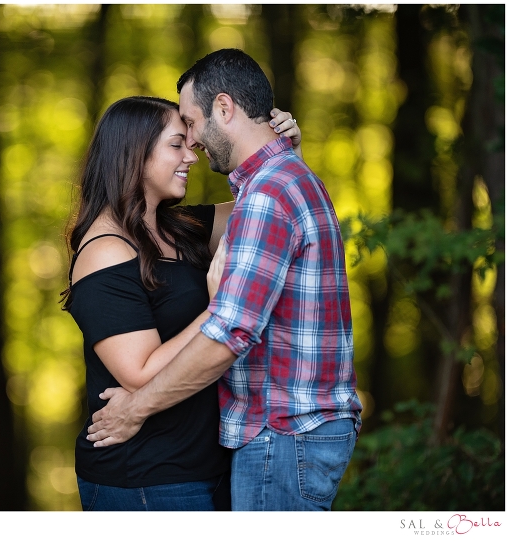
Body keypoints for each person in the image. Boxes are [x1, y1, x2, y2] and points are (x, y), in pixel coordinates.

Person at [86, 49, 363, 511]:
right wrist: (286, 153)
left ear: (224, 108)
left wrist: (136, 408)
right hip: (182, 463)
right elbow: (263, 208)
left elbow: (230, 329)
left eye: (190, 127)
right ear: (133, 153)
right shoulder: (273, 188)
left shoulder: (264, 195)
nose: (192, 146)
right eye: (177, 141)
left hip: (281, 431)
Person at [61, 94, 301, 511]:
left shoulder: (177, 228)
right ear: (134, 153)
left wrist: (284, 154)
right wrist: (215, 310)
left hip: (207, 467)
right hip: (146, 480)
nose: (191, 155)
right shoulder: (104, 251)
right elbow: (139, 372)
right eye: (177, 144)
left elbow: (269, 204)